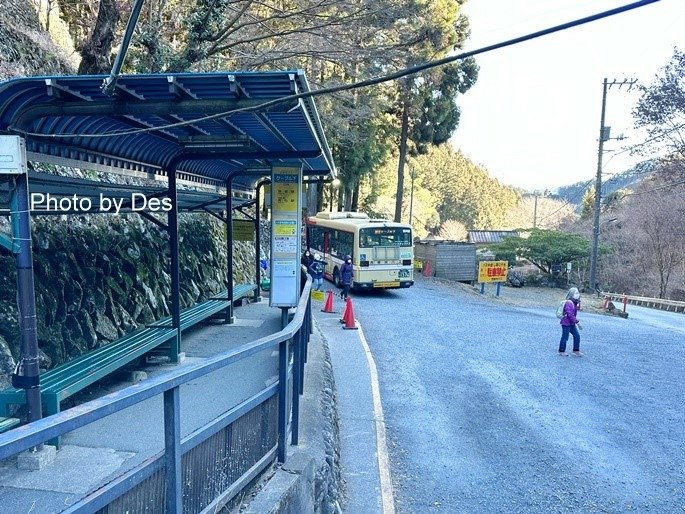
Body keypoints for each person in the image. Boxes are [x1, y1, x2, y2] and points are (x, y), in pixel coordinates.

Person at [558, 287, 583, 356]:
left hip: (571, 323)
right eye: (576, 293)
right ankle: (561, 351)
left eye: (578, 293)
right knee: (565, 337)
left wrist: (578, 302)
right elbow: (570, 314)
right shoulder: (569, 303)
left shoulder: (574, 302)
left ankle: (576, 350)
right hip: (566, 323)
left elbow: (577, 309)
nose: (578, 294)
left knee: (577, 336)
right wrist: (577, 322)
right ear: (572, 295)